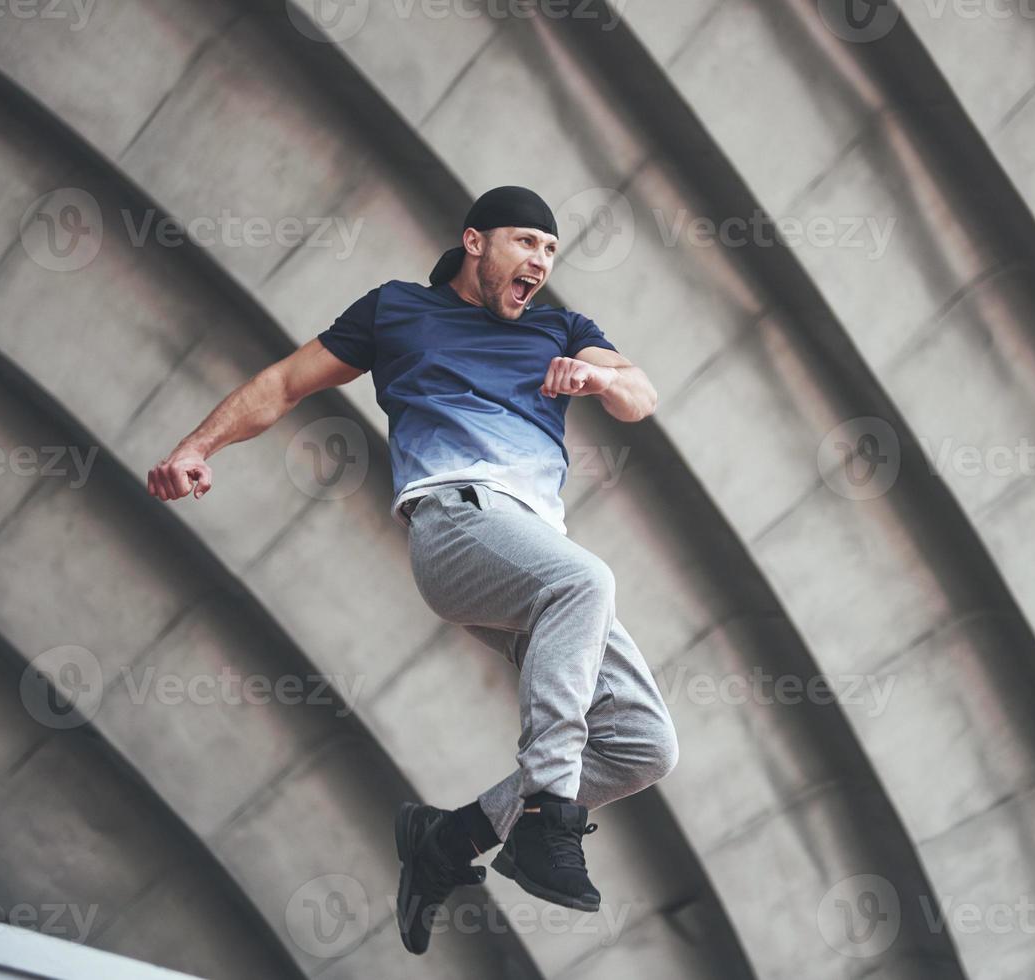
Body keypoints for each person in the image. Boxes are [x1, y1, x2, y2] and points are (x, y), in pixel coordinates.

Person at [146, 186, 680, 956]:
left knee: (641, 745)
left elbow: (641, 394)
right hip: (458, 524)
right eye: (525, 242)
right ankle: (547, 818)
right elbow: (284, 384)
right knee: (586, 580)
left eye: (550, 251)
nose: (539, 261)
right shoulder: (398, 310)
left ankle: (449, 838)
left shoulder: (561, 330)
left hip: (529, 555)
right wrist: (196, 447)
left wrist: (596, 380)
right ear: (475, 242)